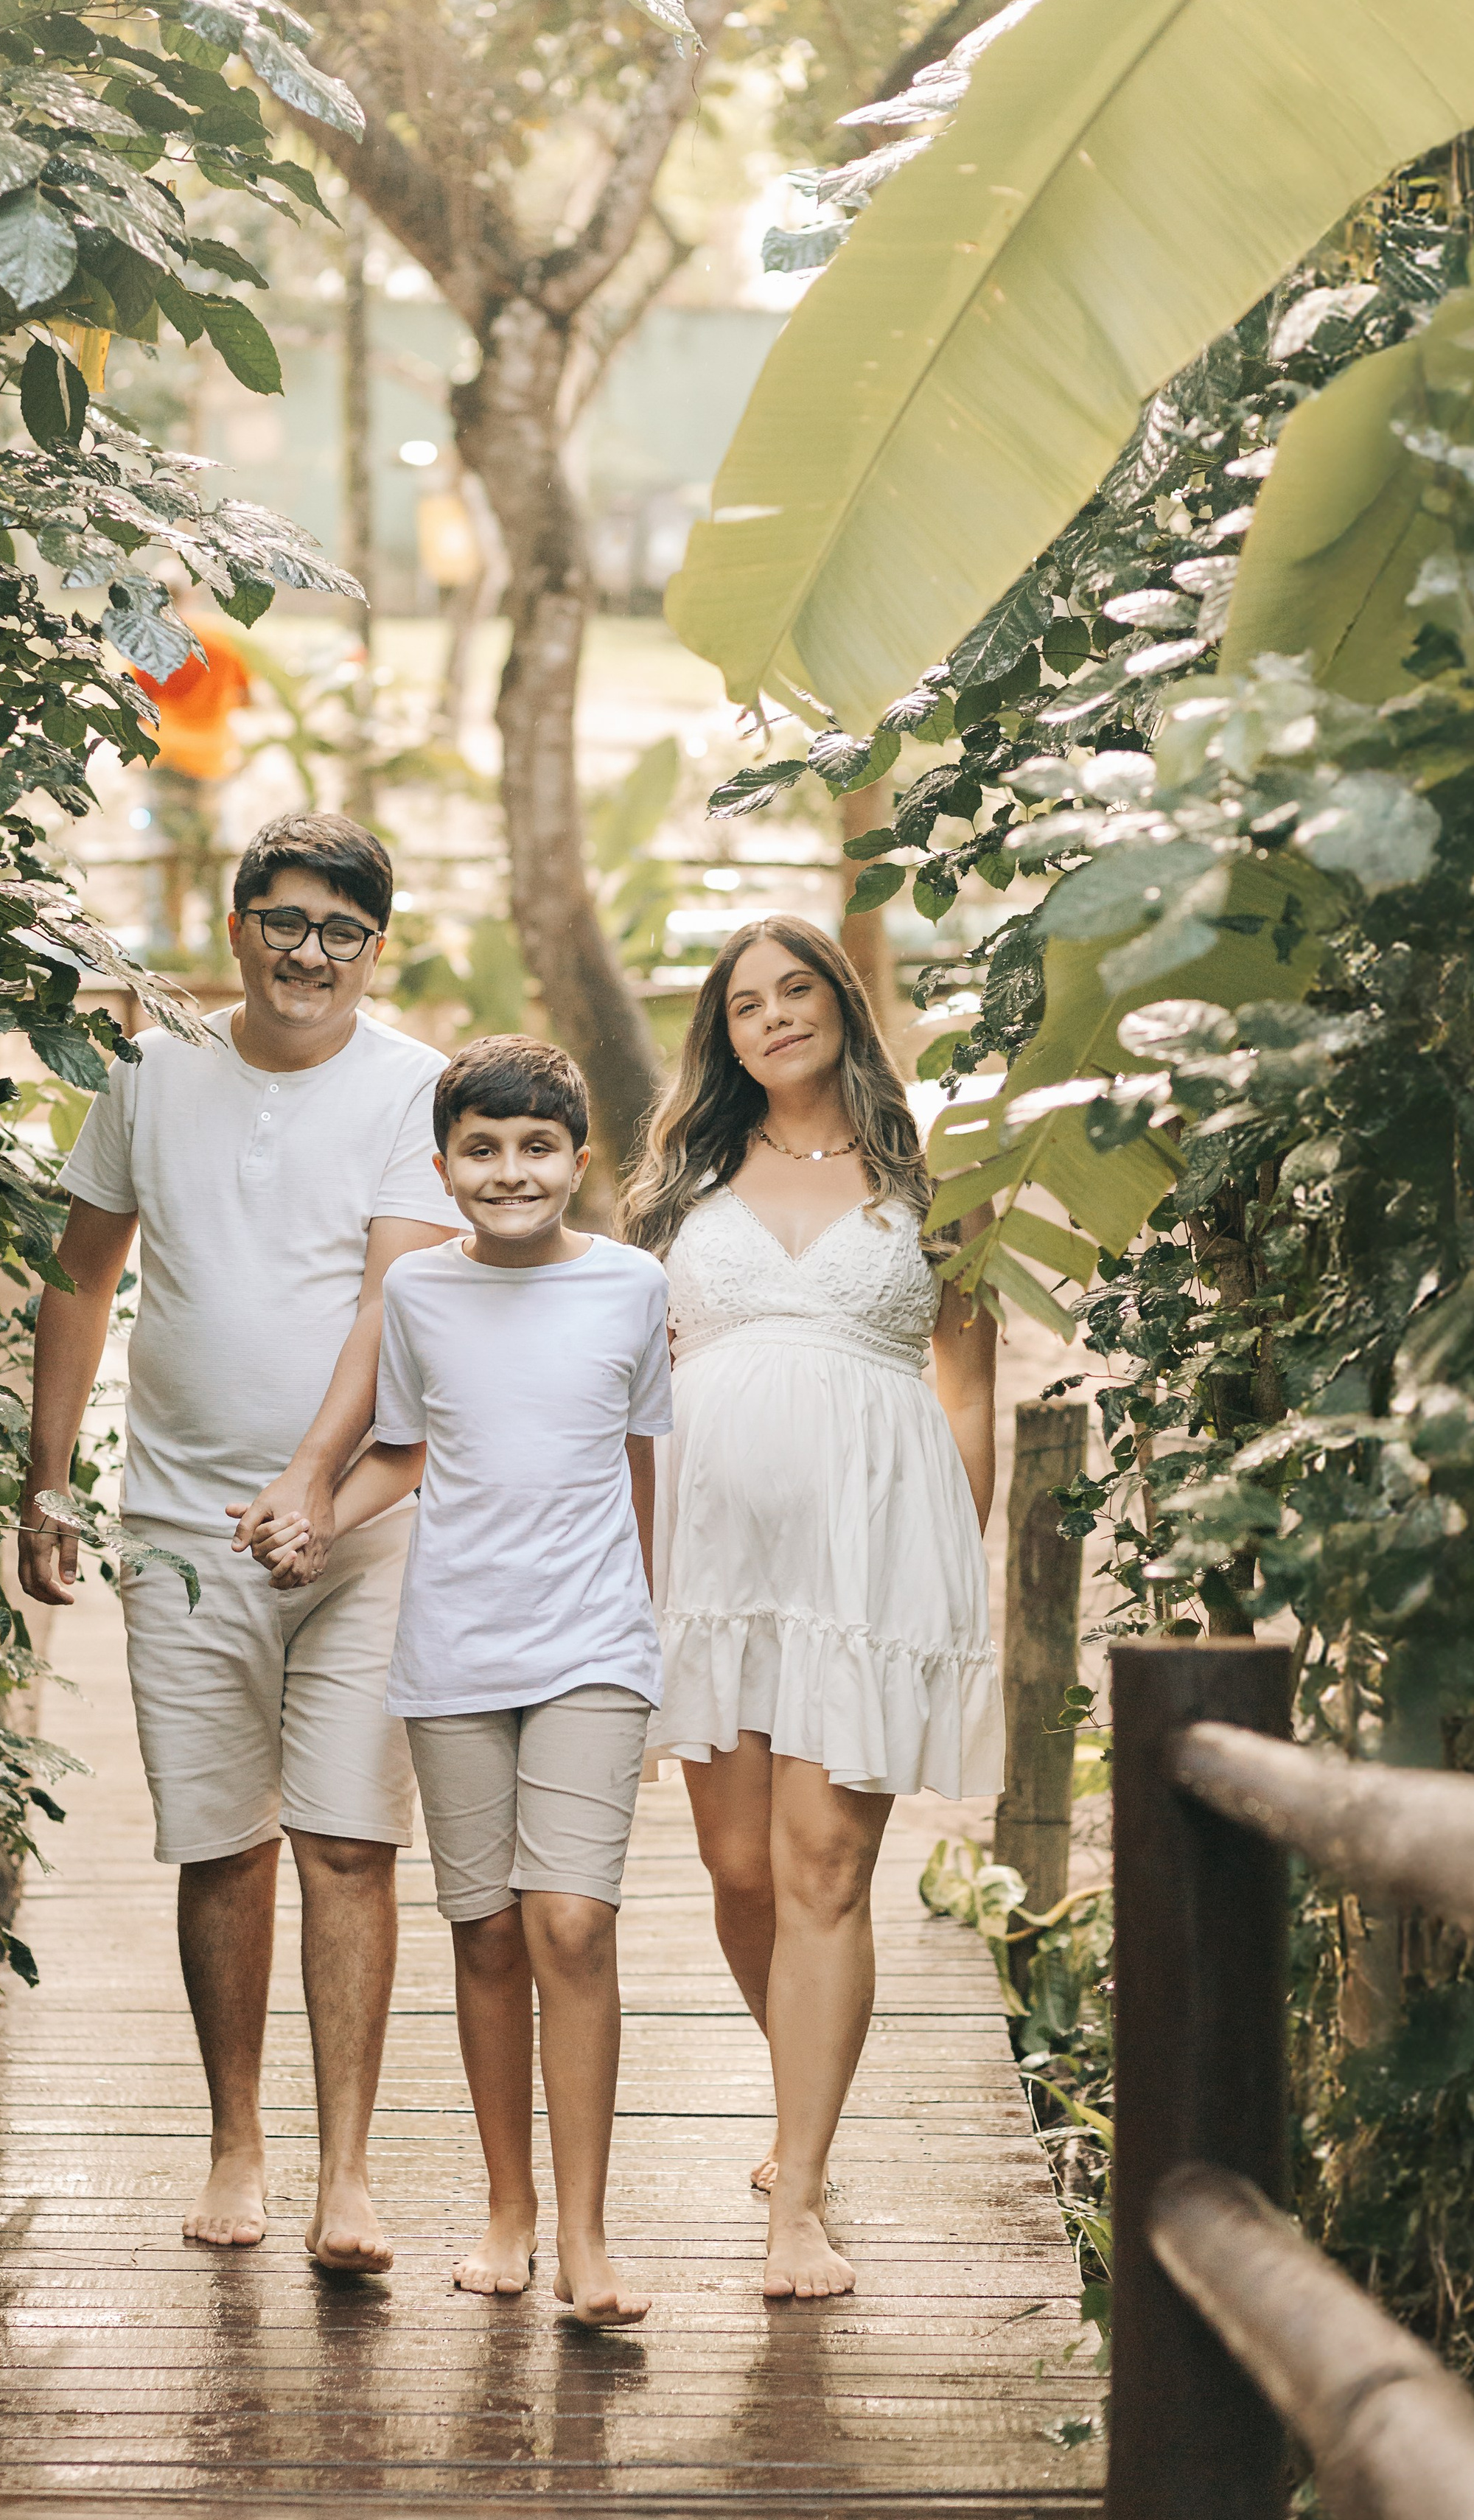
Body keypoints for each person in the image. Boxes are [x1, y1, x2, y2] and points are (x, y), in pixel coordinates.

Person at [16, 811, 456, 2271]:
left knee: (347, 1837)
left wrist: (317, 1488)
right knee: (220, 1843)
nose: (306, 953)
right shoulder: (148, 1075)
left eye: (338, 930)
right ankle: (232, 2140)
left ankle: (346, 2170)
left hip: (364, 1530)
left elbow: (392, 1302)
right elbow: (80, 1279)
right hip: (181, 1518)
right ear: (236, 928)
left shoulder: (411, 1088)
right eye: (282, 920)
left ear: (372, 950)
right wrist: (47, 1480)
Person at [255, 1036, 671, 2327]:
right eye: (482, 1151)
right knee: (485, 1934)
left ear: (579, 1161)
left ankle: (591, 2238)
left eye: (536, 1148)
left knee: (573, 1924)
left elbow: (648, 1471)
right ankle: (511, 2209)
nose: (510, 1172)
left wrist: (655, 1633)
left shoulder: (634, 1287)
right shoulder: (422, 1297)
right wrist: (316, 1511)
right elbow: (412, 1452)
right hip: (453, 1656)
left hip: (595, 1646)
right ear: (444, 1169)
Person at [618, 917, 1003, 2305]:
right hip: (711, 1566)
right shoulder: (678, 1184)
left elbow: (965, 1392)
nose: (774, 1018)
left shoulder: (932, 1178)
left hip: (866, 1562)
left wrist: (940, 1564)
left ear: (843, 1003)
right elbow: (630, 1381)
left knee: (826, 1871)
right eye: (744, 1007)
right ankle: (801, 2104)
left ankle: (803, 2181)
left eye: (797, 992)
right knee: (738, 1875)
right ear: (721, 1038)